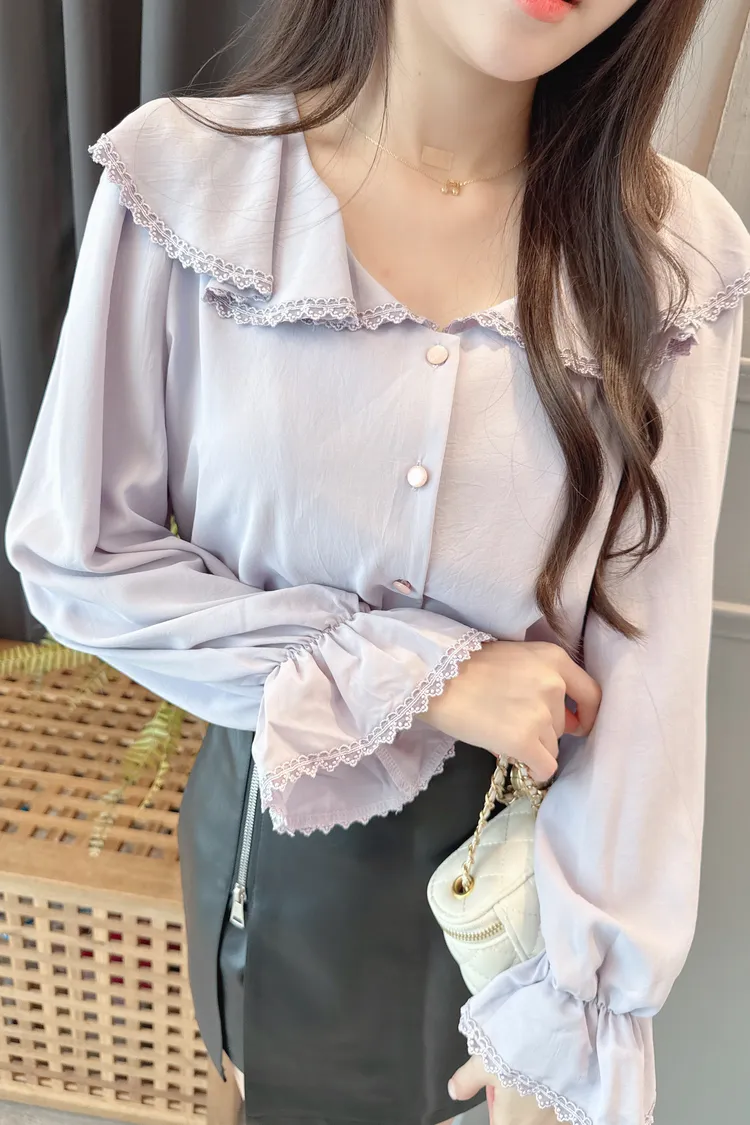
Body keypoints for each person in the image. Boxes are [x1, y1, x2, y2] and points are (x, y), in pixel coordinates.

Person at [5, 0, 750, 1122]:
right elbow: (78, 557)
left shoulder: (677, 252)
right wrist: (433, 674)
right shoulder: (189, 183)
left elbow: (652, 657)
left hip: (518, 897)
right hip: (275, 856)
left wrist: (578, 1002)